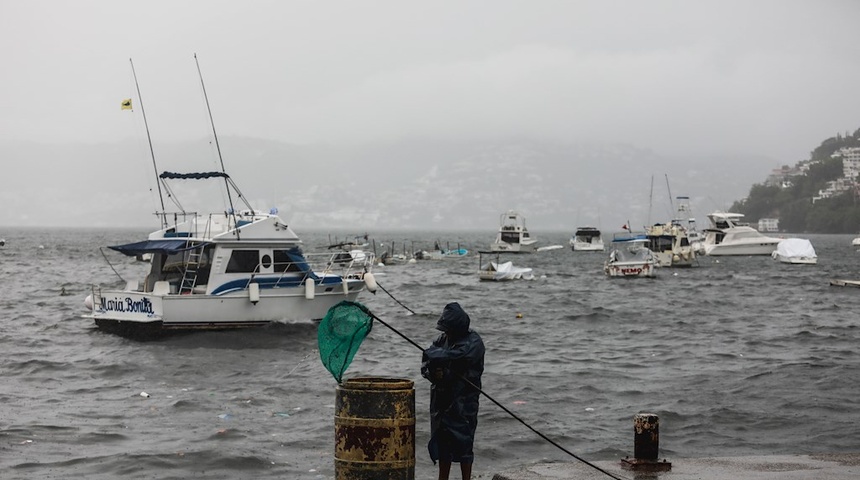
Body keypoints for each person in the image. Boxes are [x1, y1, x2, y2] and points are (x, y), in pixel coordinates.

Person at [421, 302, 485, 480]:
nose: (446, 333)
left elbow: (460, 355)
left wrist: (438, 356)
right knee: (443, 446)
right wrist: (434, 373)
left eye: (449, 329)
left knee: (464, 443)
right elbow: (426, 361)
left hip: (464, 401)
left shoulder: (474, 342)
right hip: (441, 401)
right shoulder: (442, 340)